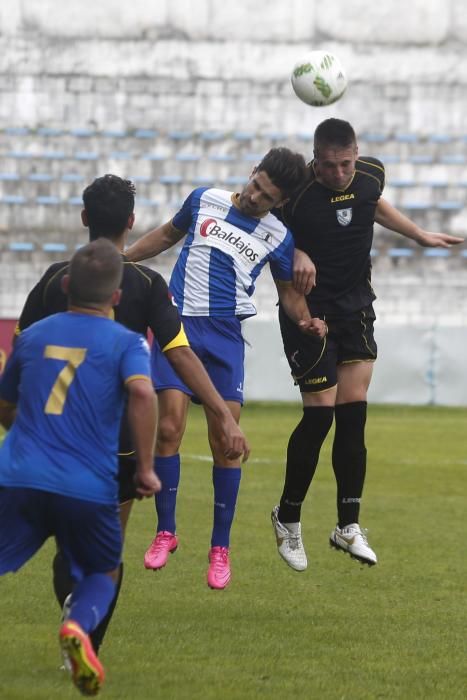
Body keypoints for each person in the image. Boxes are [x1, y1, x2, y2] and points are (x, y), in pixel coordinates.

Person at [16, 174, 249, 649]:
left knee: (68, 543)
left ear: (84, 219)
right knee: (106, 550)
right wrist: (223, 415)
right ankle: (87, 639)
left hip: (53, 438)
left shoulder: (54, 279)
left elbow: (21, 352)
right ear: (131, 222)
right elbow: (180, 353)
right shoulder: (145, 283)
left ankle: (73, 607)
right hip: (115, 441)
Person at [125, 147, 327, 589]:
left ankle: (220, 548)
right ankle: (166, 532)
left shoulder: (277, 237)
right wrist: (121, 260)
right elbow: (163, 236)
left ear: (280, 203)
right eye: (256, 185)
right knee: (170, 427)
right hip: (177, 324)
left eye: (267, 196)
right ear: (253, 171)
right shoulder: (205, 199)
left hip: (224, 338)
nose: (255, 197)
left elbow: (289, 295)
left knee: (226, 442)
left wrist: (306, 319)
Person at [270, 118, 464, 572]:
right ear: (315, 159)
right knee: (318, 419)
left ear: (357, 154)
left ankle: (347, 527)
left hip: (355, 307)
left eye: (346, 164)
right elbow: (271, 237)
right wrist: (293, 251)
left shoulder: (371, 174)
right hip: (309, 313)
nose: (339, 174)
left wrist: (418, 234)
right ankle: (288, 518)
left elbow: (373, 204)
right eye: (330, 166)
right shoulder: (295, 192)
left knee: (353, 416)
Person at [0, 239, 160, 696]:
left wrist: (24, 429)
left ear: (66, 285)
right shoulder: (127, 342)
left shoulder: (31, 336)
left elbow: (5, 402)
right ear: (116, 297)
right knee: (102, 571)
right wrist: (146, 469)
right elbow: (145, 394)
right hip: (86, 486)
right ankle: (78, 626)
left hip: (18, 475)